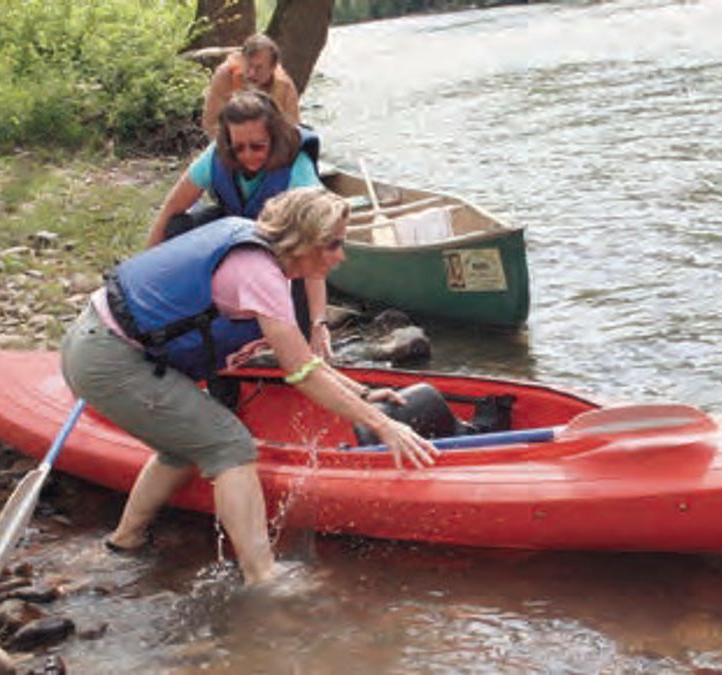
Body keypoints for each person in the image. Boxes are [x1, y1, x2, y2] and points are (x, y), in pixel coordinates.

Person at [60, 188, 440, 585]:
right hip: (109, 358)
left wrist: (361, 394)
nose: (340, 255)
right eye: (333, 244)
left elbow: (300, 360)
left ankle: (125, 541)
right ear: (303, 241)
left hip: (94, 343)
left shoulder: (251, 244)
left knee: (184, 445)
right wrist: (382, 425)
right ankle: (262, 575)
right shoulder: (258, 273)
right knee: (230, 446)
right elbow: (301, 373)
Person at [148, 89, 332, 356]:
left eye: (258, 146)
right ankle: (198, 326)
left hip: (281, 245)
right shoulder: (215, 156)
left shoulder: (297, 168)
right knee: (178, 228)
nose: (247, 155)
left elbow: (317, 248)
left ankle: (299, 345)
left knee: (301, 254)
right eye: (239, 147)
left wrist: (319, 322)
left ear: (274, 138)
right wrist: (148, 269)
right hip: (236, 236)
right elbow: (171, 209)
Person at [202, 33, 301, 139]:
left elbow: (293, 130)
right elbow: (210, 123)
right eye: (249, 65)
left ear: (272, 67)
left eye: (259, 68)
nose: (251, 73)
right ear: (241, 60)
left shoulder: (285, 86)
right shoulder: (225, 76)